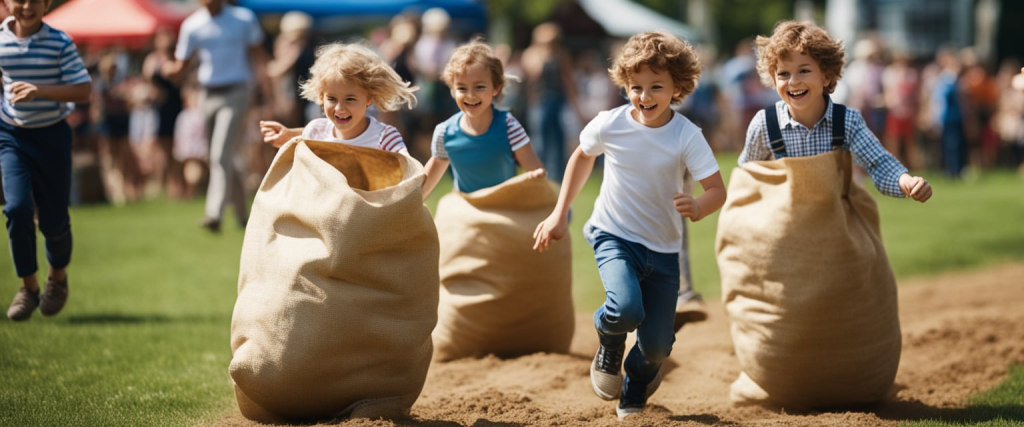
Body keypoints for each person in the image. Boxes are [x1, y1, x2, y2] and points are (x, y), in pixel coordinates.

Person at [532, 31, 726, 419]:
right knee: (625, 310)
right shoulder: (610, 123)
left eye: (657, 86)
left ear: (677, 87)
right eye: (636, 87)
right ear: (624, 85)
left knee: (657, 346)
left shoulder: (687, 135)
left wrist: (700, 206)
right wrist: (558, 213)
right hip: (613, 234)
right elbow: (581, 158)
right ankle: (608, 340)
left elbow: (717, 190)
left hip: (664, 249)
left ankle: (636, 383)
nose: (645, 96)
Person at [740, 21, 932, 203]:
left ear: (826, 76)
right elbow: (747, 176)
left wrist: (905, 181)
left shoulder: (847, 121)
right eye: (783, 74)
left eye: (804, 71)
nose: (793, 81)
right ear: (773, 80)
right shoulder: (765, 123)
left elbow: (878, 162)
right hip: (783, 227)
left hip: (835, 227)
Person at [1, 0, 92, 321]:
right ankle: (28, 287)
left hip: (52, 137)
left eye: (35, 0)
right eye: (19, 0)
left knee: (54, 221)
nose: (27, 6)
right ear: (5, 3)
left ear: (47, 3)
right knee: (16, 208)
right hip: (12, 137)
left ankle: (58, 279)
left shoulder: (59, 41)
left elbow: (83, 90)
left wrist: (40, 91)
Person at [165, 0, 271, 233]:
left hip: (238, 91)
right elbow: (181, 66)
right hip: (208, 93)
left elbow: (259, 57)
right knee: (228, 156)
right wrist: (167, 69)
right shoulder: (192, 25)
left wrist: (269, 94)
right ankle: (244, 215)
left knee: (218, 152)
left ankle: (214, 213)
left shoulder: (243, 18)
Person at [420, 40, 546, 199]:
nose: (471, 96)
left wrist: (552, 208)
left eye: (479, 87)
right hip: (466, 210)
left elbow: (536, 173)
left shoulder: (509, 126)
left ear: (496, 88)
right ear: (452, 90)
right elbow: (430, 175)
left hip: (504, 209)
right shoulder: (445, 132)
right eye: (462, 88)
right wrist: (409, 205)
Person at [258, 42, 417, 155]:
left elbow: (405, 171)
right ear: (321, 97)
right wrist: (287, 136)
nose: (340, 108)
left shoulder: (385, 137)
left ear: (368, 98)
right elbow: (313, 135)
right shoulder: (316, 131)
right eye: (332, 99)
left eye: (350, 99)